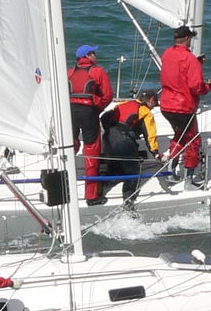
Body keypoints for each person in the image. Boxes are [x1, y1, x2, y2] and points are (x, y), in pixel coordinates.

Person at [160, 25, 211, 188]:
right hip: (183, 107)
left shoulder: (167, 54)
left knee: (180, 136)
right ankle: (189, 181)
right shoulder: (189, 59)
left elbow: (178, 70)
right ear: (188, 38)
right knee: (193, 141)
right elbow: (196, 86)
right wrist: (207, 87)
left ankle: (170, 171)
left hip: (166, 105)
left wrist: (196, 63)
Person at [100, 89, 162, 207]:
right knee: (133, 171)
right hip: (123, 141)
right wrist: (156, 153)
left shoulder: (123, 104)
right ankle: (128, 201)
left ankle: (107, 182)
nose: (153, 108)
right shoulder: (146, 112)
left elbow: (104, 117)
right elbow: (150, 136)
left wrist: (108, 131)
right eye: (154, 105)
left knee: (113, 164)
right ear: (151, 100)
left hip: (108, 138)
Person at [68, 45, 114, 203]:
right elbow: (108, 96)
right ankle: (92, 196)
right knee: (92, 152)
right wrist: (97, 108)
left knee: (70, 147)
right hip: (89, 113)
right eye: (94, 53)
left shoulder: (69, 72)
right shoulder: (97, 71)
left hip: (70, 112)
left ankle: (64, 185)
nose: (96, 55)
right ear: (88, 56)